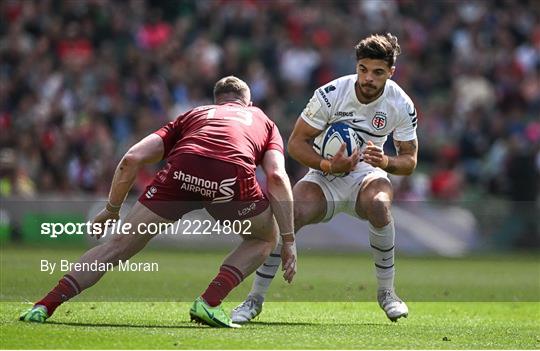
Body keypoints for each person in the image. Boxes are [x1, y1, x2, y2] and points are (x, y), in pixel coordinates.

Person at [19, 76, 297, 328]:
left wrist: (111, 209)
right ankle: (209, 302)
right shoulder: (264, 121)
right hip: (230, 178)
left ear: (217, 101)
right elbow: (276, 176)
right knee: (262, 239)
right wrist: (288, 240)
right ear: (248, 102)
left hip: (182, 171)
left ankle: (44, 305)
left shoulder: (193, 114)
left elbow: (131, 158)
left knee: (116, 246)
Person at [232, 33, 418, 323]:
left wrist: (385, 161)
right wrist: (329, 166)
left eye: (378, 73)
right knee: (288, 215)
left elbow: (409, 160)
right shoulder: (331, 94)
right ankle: (253, 299)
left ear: (391, 72)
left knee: (380, 205)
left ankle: (387, 293)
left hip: (367, 173)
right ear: (357, 66)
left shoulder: (400, 103)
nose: (368, 78)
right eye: (363, 70)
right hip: (324, 174)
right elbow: (295, 143)